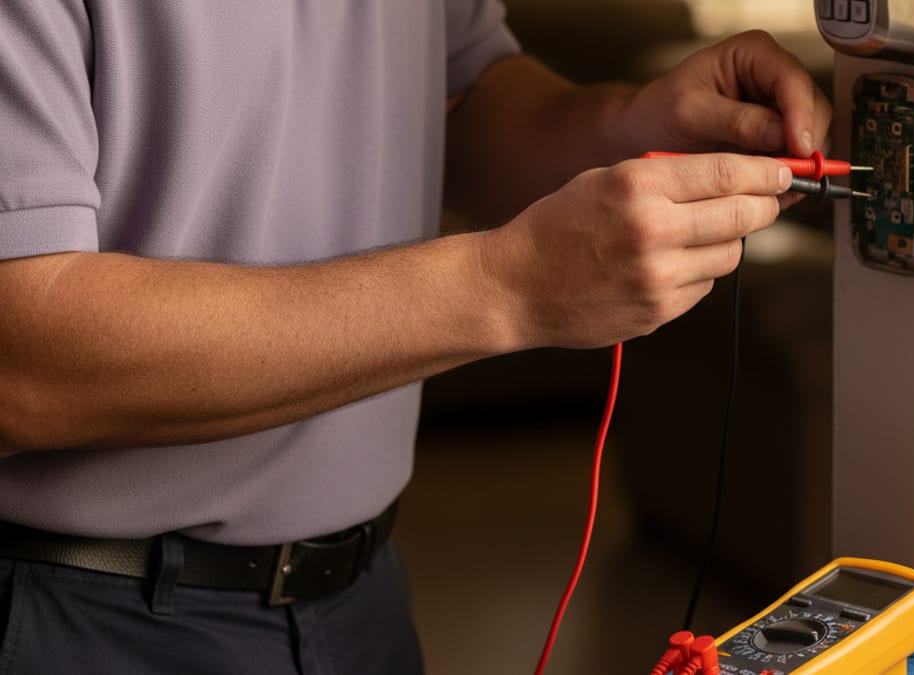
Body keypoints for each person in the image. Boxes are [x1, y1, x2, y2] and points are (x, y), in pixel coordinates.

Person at [0, 1, 830, 672]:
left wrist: (638, 121)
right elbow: (22, 363)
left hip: (363, 603)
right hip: (80, 614)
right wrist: (509, 286)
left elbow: (463, 100)